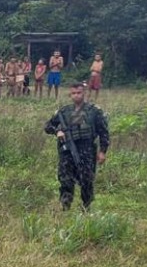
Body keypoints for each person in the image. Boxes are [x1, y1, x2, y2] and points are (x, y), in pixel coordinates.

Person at [45, 82, 110, 211]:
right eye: (73, 93)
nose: (76, 96)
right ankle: (65, 206)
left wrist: (102, 151)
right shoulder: (64, 111)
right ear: (70, 94)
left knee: (86, 180)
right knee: (65, 179)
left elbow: (103, 132)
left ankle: (86, 207)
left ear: (84, 93)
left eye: (79, 93)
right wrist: (57, 131)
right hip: (67, 151)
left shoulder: (94, 111)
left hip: (87, 150)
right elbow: (48, 126)